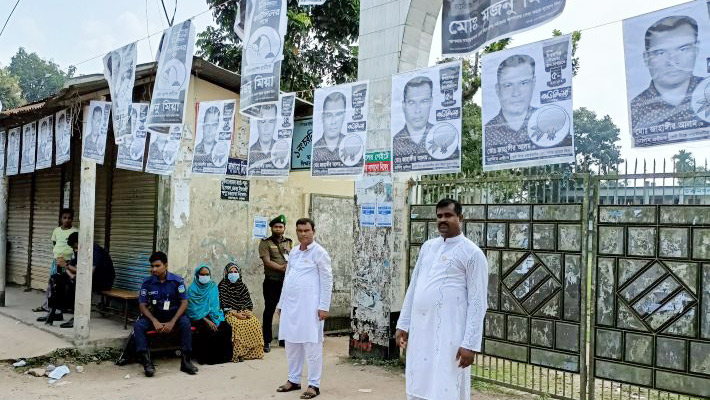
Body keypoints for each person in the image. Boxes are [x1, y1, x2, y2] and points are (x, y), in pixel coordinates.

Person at [395, 198, 488, 400]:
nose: (442, 220)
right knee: (418, 380)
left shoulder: (472, 253)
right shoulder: (428, 247)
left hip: (450, 334)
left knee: (446, 385)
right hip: (421, 331)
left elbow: (478, 302)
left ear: (460, 218)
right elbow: (414, 287)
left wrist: (470, 344)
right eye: (439, 216)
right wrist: (403, 324)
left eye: (448, 215)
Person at [276, 218, 332, 400]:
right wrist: (281, 304)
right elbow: (288, 280)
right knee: (291, 345)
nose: (303, 234)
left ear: (313, 231)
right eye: (299, 230)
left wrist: (324, 306)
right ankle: (293, 380)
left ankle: (314, 384)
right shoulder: (293, 253)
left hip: (311, 309)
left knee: (312, 346)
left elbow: (327, 281)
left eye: (306, 230)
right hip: (291, 307)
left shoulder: (320, 253)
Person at [630, 15, 706, 133]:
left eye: (683, 49)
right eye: (661, 52)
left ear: (696, 50)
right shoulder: (634, 109)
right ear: (646, 58)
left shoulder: (707, 90)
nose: (672, 61)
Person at [134, 251, 198, 377]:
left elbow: (184, 302)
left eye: (157, 266)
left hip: (174, 315)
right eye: (152, 266)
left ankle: (186, 361)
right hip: (155, 315)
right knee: (139, 326)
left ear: (166, 265)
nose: (154, 269)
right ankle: (147, 363)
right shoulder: (147, 283)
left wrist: (173, 321)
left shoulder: (177, 281)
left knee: (185, 323)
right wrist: (154, 321)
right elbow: (142, 305)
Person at [37, 231, 115, 328]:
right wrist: (64, 265)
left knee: (75, 283)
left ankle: (77, 317)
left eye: (75, 246)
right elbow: (72, 266)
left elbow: (87, 273)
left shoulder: (94, 251)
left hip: (103, 281)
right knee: (55, 278)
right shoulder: (80, 250)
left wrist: (66, 266)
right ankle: (56, 312)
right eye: (74, 248)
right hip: (89, 278)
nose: (75, 249)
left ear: (81, 242)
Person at [484, 54, 537, 149]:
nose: (516, 93)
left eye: (523, 83)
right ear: (498, 90)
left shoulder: (548, 121)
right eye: (508, 85)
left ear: (533, 84)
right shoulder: (486, 132)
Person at [32, 208, 78, 314]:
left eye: (69, 218)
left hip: (69, 262)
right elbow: (54, 244)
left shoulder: (75, 231)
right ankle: (47, 305)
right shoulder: (56, 231)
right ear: (61, 219)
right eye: (64, 218)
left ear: (72, 219)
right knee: (52, 283)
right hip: (56, 261)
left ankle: (64, 307)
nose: (67, 220)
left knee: (66, 285)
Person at [259, 214, 293, 353]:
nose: (278, 229)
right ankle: (266, 341)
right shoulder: (265, 243)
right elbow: (266, 261)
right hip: (272, 281)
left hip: (286, 282)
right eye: (276, 227)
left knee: (285, 310)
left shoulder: (289, 242)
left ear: (284, 228)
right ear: (272, 228)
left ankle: (283, 339)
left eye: (281, 227)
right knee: (269, 310)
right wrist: (281, 268)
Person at [186, 264, 233, 365]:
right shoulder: (192, 289)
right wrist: (207, 320)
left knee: (225, 327)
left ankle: (224, 357)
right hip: (198, 317)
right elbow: (192, 310)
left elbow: (215, 305)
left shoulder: (212, 286)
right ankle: (206, 359)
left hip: (213, 314)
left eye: (207, 274)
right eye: (202, 274)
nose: (205, 277)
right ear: (197, 275)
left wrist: (215, 320)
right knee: (206, 329)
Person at [219, 262, 264, 361]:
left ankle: (252, 353)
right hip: (230, 313)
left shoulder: (242, 286)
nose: (233, 274)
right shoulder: (223, 286)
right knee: (238, 324)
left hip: (243, 312)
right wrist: (236, 314)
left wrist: (247, 312)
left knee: (255, 323)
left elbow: (248, 302)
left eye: (235, 272)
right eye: (231, 272)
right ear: (226, 273)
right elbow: (224, 306)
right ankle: (239, 354)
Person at [393, 77, 434, 159]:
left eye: (424, 101)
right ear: (404, 105)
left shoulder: (441, 137)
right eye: (411, 102)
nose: (418, 110)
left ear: (431, 102)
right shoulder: (394, 143)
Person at [313, 92, 347, 165]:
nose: (333, 121)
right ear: (323, 117)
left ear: (344, 116)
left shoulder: (350, 145)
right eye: (329, 115)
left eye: (338, 114)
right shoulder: (314, 149)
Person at [248, 104, 278, 172]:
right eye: (262, 121)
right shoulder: (250, 153)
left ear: (275, 123)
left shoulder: (281, 151)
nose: (266, 128)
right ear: (257, 122)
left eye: (271, 121)